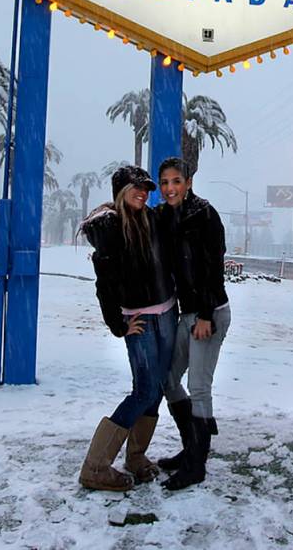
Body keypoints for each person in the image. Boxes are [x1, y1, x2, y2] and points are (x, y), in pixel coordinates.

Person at [78, 165, 177, 491]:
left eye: (147, 188)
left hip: (166, 314)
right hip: (141, 321)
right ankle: (95, 467)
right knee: (144, 391)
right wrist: (119, 324)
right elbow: (104, 285)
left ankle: (135, 456)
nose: (144, 193)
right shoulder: (110, 228)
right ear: (121, 190)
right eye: (137, 187)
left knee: (158, 388)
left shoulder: (150, 220)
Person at [155, 157, 230, 491]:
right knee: (170, 379)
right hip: (186, 313)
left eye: (176, 181)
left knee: (199, 386)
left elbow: (213, 267)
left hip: (208, 312)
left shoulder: (205, 215)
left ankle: (196, 465)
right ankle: (191, 448)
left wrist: (204, 315)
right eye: (164, 183)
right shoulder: (166, 217)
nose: (170, 188)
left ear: (187, 182)